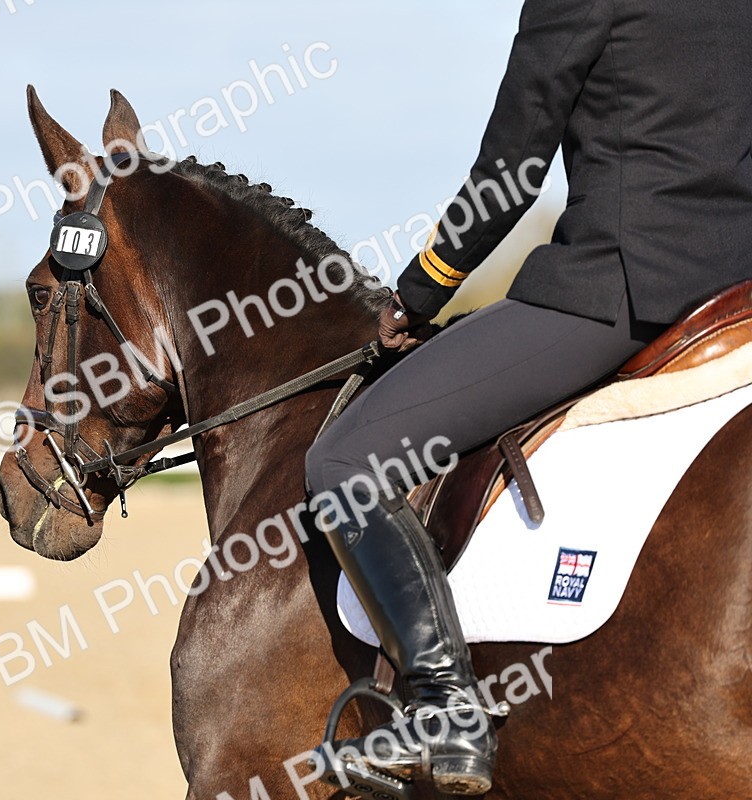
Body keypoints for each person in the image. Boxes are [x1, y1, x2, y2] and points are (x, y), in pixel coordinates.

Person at [305, 0, 752, 794]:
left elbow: (511, 173)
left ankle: (443, 711)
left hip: (621, 291)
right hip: (736, 298)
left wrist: (421, 290)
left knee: (345, 460)